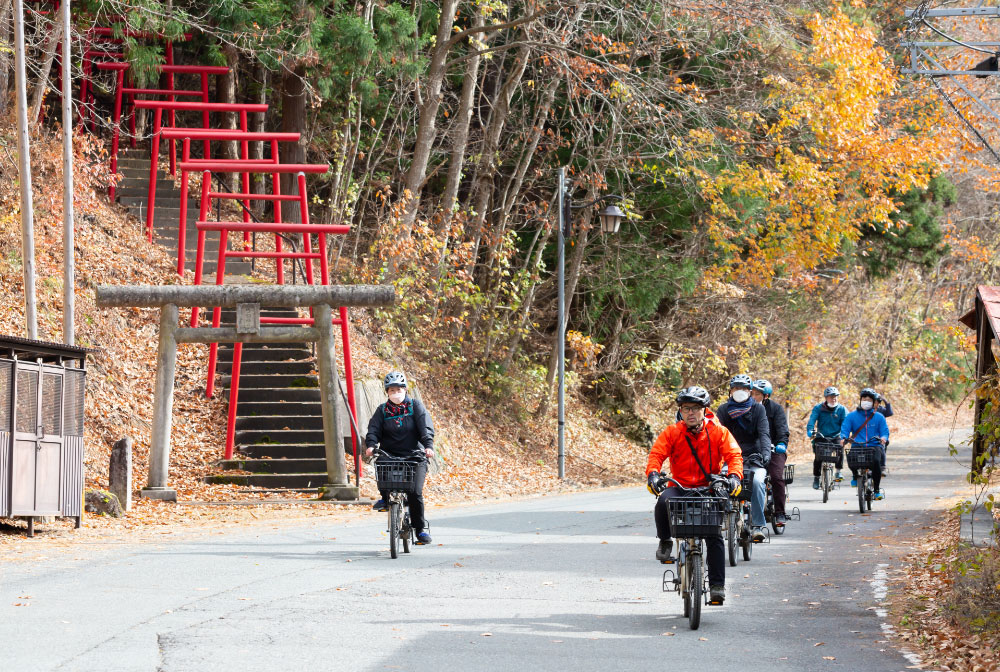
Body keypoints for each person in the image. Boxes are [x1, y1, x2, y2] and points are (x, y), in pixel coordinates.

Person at [646, 386, 743, 605]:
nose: (690, 413)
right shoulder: (672, 432)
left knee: (714, 534)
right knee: (662, 501)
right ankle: (665, 541)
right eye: (686, 408)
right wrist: (653, 474)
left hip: (708, 487)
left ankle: (717, 586)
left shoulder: (719, 432)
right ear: (680, 411)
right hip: (680, 485)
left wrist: (734, 477)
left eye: (696, 408)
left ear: (704, 410)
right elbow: (657, 454)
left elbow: (734, 456)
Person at [365, 372, 436, 544]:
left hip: (414, 455)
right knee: (382, 468)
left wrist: (428, 446)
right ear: (387, 392)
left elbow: (425, 428)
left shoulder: (415, 406)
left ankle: (420, 530)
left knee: (415, 493)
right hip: (390, 455)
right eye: (392, 390)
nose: (396, 393)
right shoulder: (382, 411)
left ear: (405, 390)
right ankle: (385, 498)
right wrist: (371, 445)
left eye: (399, 389)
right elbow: (373, 430)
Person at [716, 374, 770, 542]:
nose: (740, 391)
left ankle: (757, 526)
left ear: (750, 391)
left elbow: (764, 433)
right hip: (729, 458)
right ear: (730, 391)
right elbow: (716, 436)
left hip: (754, 457)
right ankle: (722, 518)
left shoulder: (758, 409)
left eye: (744, 388)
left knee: (757, 482)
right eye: (736, 388)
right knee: (720, 482)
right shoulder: (723, 410)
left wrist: (766, 454)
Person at [751, 379, 790, 527]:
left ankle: (780, 512)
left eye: (757, 394)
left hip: (774, 450)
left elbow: (782, 430)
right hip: (753, 450)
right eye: (752, 394)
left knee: (776, 477)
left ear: (766, 396)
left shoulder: (775, 409)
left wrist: (781, 444)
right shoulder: (746, 408)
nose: (753, 397)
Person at [840, 388, 889, 500]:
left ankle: (876, 490)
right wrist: (843, 438)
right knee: (851, 458)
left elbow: (884, 431)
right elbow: (845, 428)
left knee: (876, 463)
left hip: (874, 445)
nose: (866, 401)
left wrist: (883, 438)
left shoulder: (879, 417)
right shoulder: (852, 416)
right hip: (857, 445)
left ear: (873, 402)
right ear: (860, 400)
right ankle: (855, 475)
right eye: (864, 399)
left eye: (869, 400)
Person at [807, 386, 847, 489]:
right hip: (822, 435)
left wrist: (844, 435)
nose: (833, 399)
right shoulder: (818, 408)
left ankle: (838, 471)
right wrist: (810, 430)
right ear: (826, 398)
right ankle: (816, 477)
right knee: (818, 456)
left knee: (840, 448)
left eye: (835, 396)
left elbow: (846, 424)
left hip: (836, 435)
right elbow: (812, 419)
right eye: (831, 397)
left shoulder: (842, 409)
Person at [875, 392, 893, 476]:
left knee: (882, 447)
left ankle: (882, 467)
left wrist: (885, 401)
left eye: (878, 401)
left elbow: (889, 413)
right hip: (868, 433)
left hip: (880, 434)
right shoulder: (866, 410)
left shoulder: (881, 409)